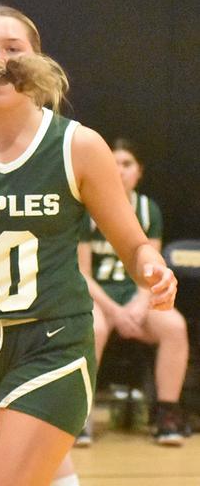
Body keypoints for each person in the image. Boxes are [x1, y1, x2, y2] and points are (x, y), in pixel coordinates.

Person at [0, 5, 178, 486]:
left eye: (12, 49)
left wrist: (152, 266)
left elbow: (134, 245)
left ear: (37, 60)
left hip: (51, 342)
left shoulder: (79, 146)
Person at [77, 138, 189, 446]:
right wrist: (115, 312)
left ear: (139, 172)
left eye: (127, 164)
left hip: (135, 296)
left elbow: (149, 269)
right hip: (99, 297)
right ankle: (79, 418)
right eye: (113, 163)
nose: (120, 170)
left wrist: (140, 305)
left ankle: (166, 415)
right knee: (92, 327)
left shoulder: (147, 209)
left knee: (175, 326)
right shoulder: (85, 209)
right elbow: (82, 273)